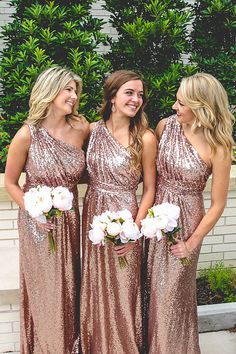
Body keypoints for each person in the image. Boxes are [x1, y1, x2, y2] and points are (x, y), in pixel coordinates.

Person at [146, 72, 235, 354]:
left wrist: (191, 242)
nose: (174, 107)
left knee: (173, 296)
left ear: (200, 106)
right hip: (155, 218)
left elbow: (218, 204)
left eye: (181, 103)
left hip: (186, 224)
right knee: (149, 290)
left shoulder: (219, 146)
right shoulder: (164, 127)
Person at [4, 66, 90, 353]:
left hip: (72, 219)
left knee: (70, 286)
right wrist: (33, 212)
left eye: (75, 90)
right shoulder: (26, 135)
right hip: (37, 223)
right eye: (67, 89)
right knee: (47, 289)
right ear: (50, 91)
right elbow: (11, 182)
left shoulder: (81, 128)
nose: (73, 95)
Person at [73, 70, 157, 354]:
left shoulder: (145, 137)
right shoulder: (91, 130)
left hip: (126, 217)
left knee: (124, 288)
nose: (136, 100)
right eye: (130, 93)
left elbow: (149, 190)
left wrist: (134, 231)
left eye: (140, 94)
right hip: (94, 213)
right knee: (96, 286)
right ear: (112, 97)